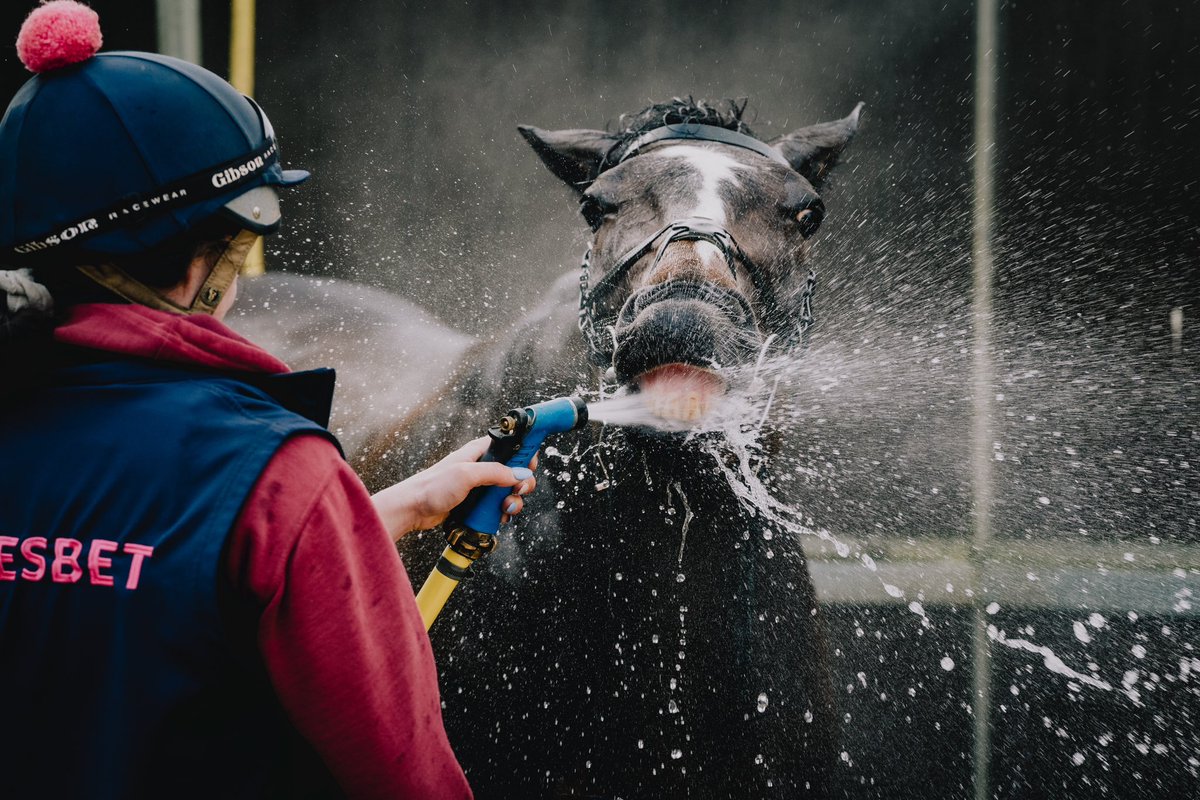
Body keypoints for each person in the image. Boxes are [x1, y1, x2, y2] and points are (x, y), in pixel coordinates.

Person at [0, 3, 531, 797]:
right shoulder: (275, 476)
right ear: (208, 256)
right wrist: (324, 516)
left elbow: (126, 584)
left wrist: (374, 514)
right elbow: (402, 774)